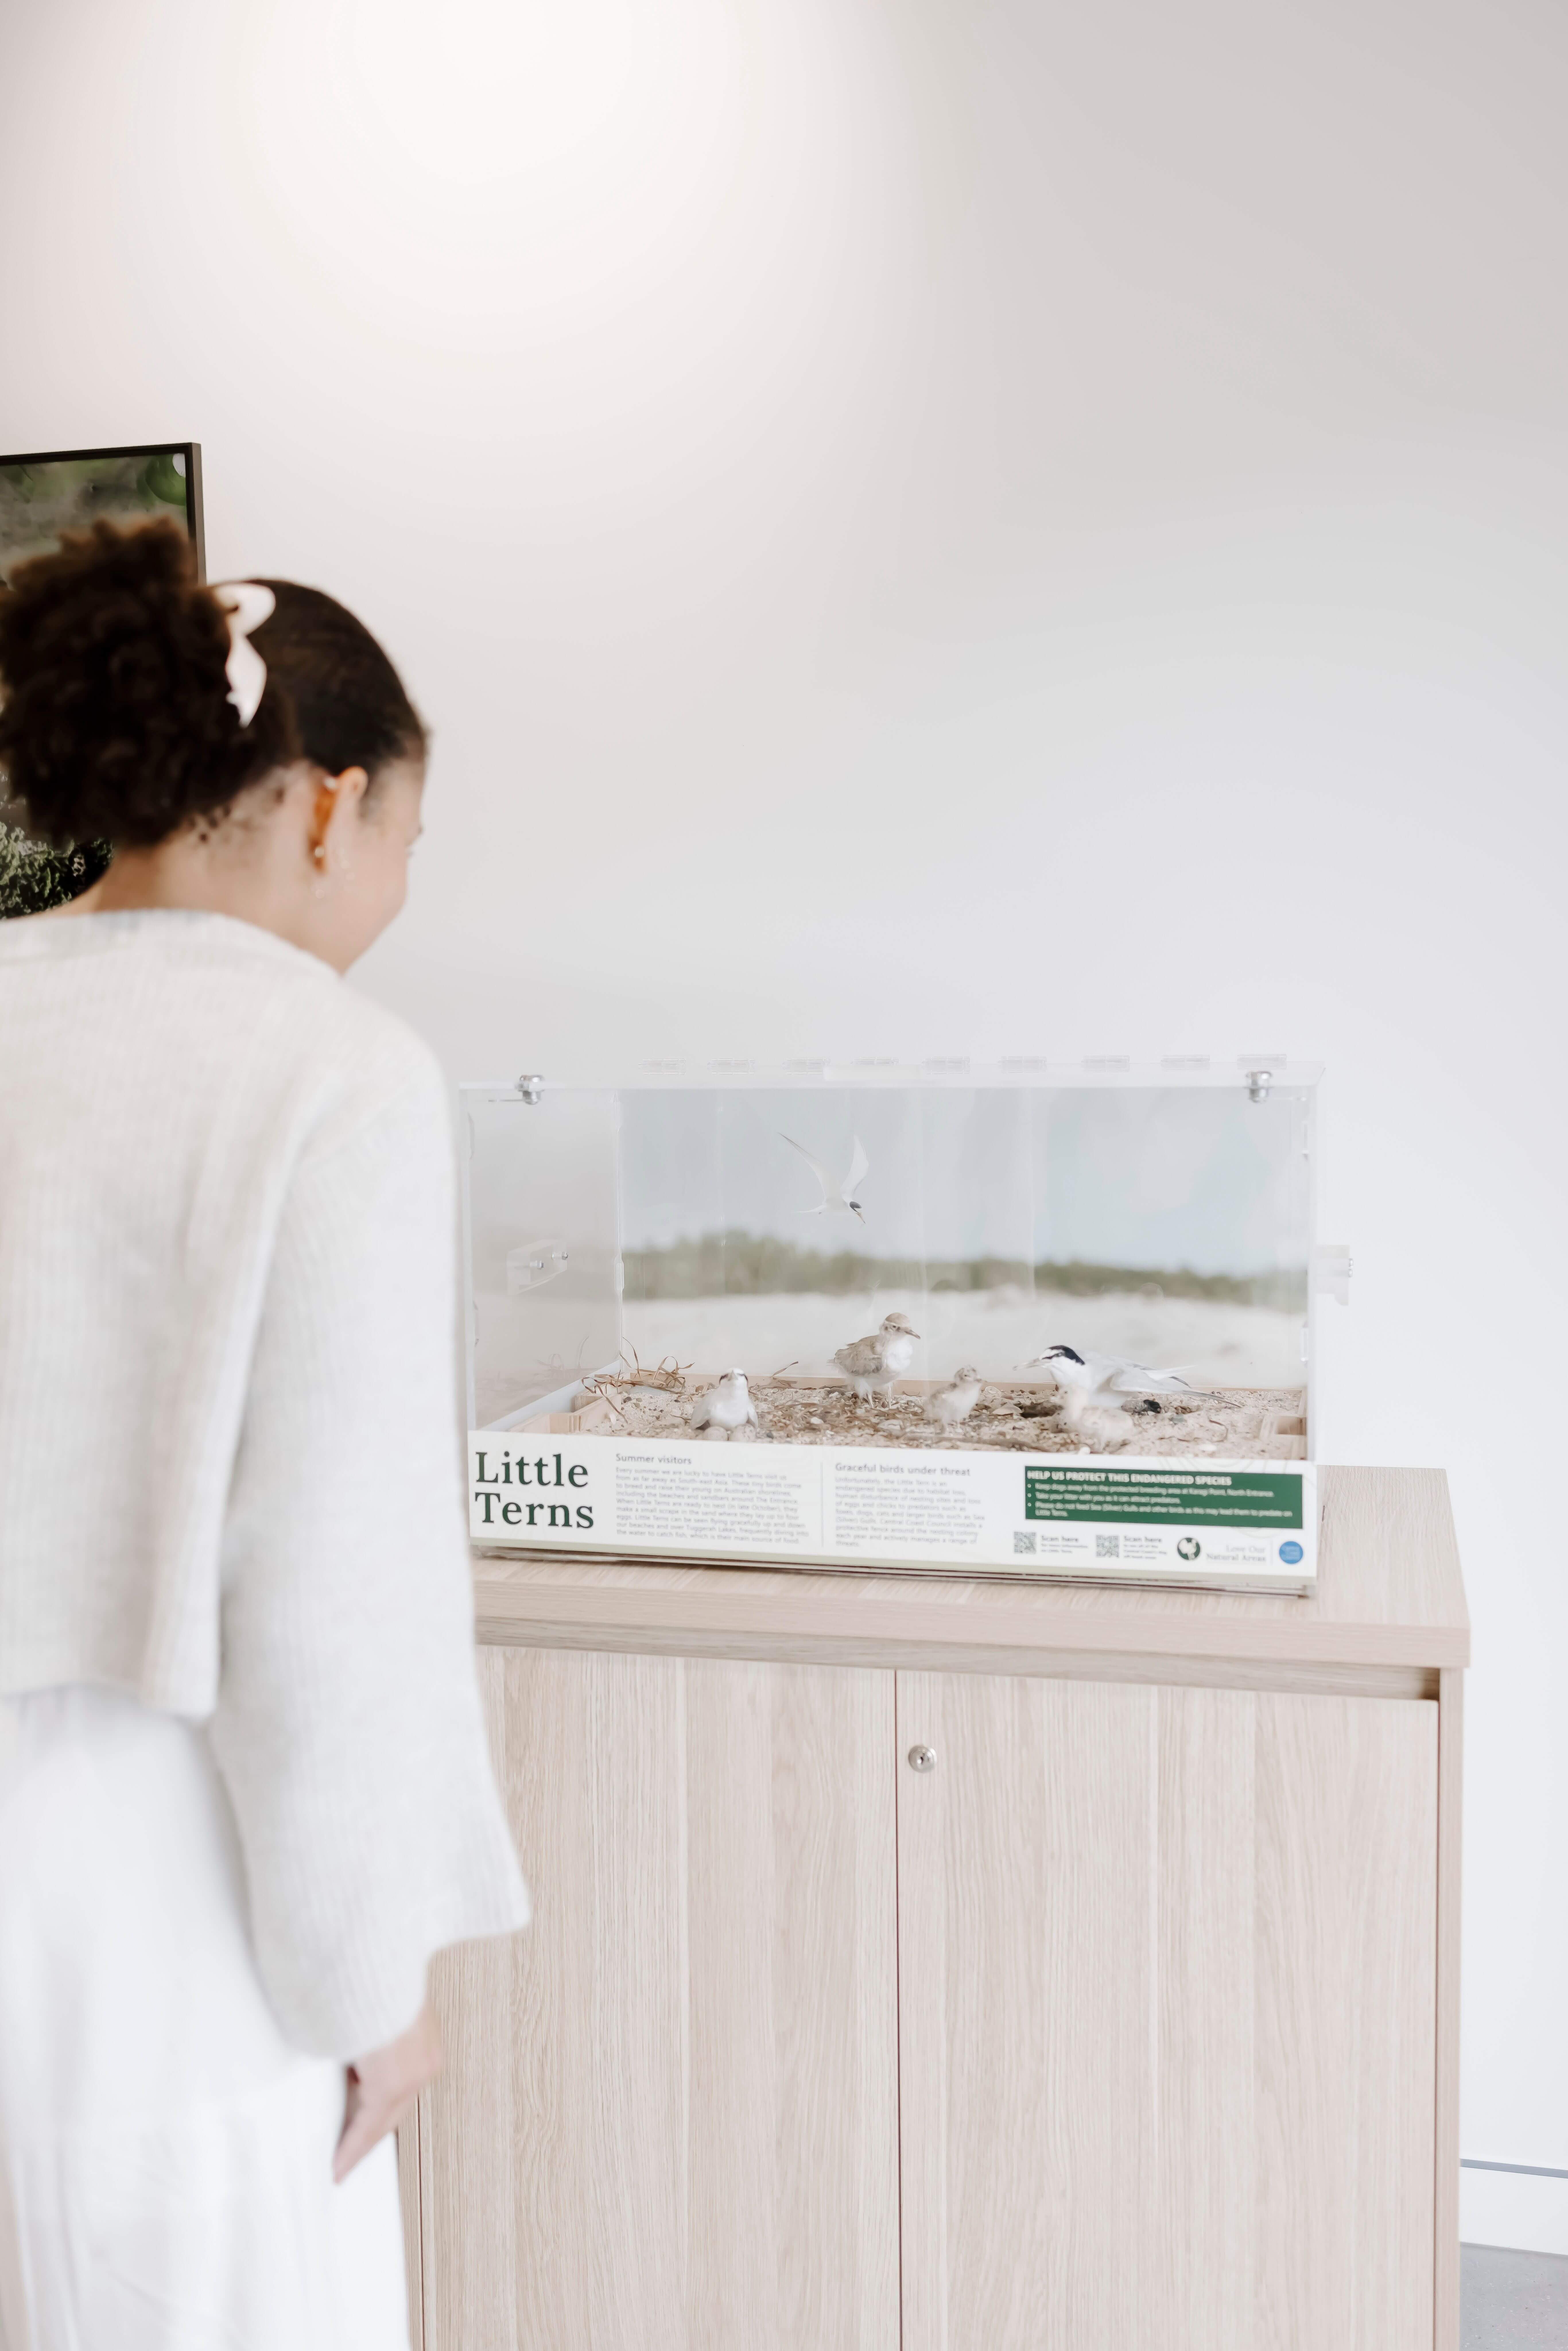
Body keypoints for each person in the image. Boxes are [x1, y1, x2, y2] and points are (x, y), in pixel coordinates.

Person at [0, 520, 530, 2349]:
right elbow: (323, 1596)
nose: (391, 888)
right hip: (175, 1911)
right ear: (325, 806)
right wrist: (375, 1986)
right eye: (403, 841)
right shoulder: (333, 1077)